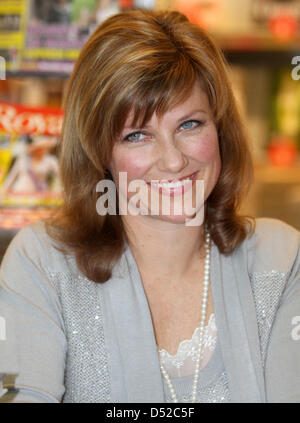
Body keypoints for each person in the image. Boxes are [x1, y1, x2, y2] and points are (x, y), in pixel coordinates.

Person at [0, 9, 300, 403]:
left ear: (221, 128)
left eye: (189, 124)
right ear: (98, 152)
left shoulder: (280, 259)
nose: (173, 160)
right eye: (138, 135)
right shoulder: (42, 264)